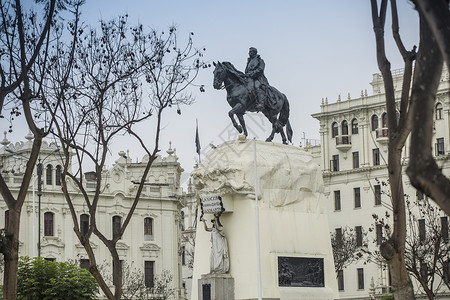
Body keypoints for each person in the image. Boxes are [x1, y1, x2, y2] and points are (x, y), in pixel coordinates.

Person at [245, 47, 269, 111]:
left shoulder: (260, 60)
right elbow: (246, 71)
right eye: (249, 52)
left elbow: (260, 69)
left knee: (256, 86)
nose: (249, 53)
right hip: (249, 78)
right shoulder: (249, 61)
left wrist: (252, 73)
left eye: (250, 52)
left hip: (258, 78)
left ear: (254, 52)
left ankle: (260, 103)